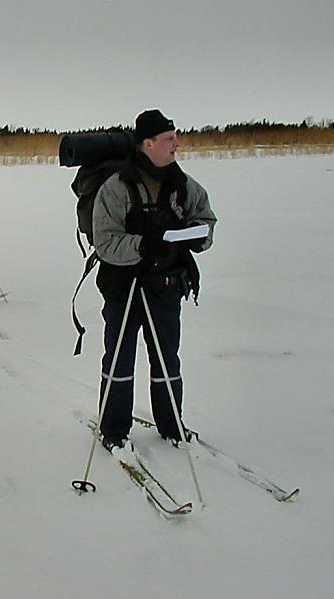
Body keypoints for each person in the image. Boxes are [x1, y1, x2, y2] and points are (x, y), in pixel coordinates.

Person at [93, 109, 217, 449]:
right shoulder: (116, 188)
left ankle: (171, 424)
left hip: (166, 286)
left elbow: (207, 221)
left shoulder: (184, 185)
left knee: (167, 357)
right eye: (168, 138)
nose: (176, 142)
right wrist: (144, 246)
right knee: (119, 358)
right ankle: (114, 431)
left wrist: (195, 237)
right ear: (147, 143)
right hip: (125, 286)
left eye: (175, 136)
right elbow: (104, 242)